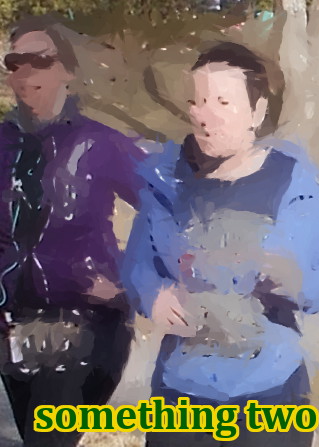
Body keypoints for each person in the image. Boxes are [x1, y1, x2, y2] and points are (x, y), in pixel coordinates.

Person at [122, 41, 319, 447]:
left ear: (257, 112)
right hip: (182, 393)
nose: (203, 115)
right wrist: (152, 295)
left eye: (222, 102)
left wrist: (295, 282)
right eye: (197, 101)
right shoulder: (165, 178)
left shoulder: (294, 180)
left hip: (270, 394)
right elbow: (136, 264)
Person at [0, 16, 151, 447]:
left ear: (67, 69)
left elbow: (171, 209)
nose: (25, 73)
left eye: (39, 61)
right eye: (15, 62)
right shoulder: (2, 144)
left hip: (87, 325)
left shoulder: (99, 143)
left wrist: (132, 281)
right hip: (12, 326)